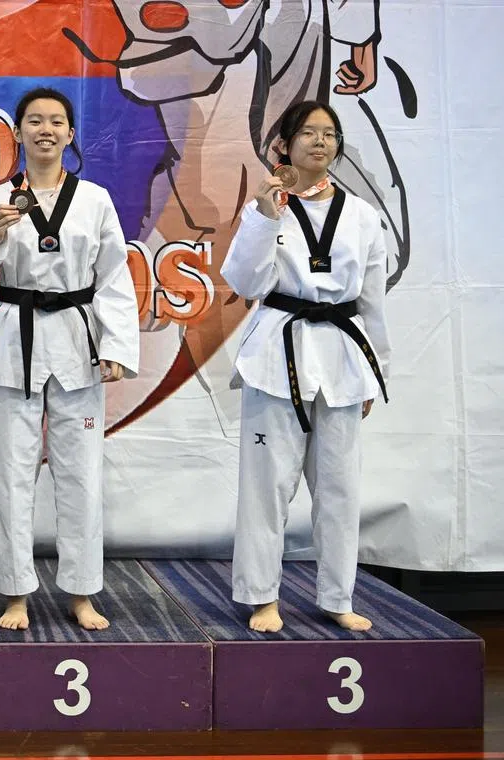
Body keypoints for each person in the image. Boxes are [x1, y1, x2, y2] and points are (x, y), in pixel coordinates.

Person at [0, 88, 139, 630]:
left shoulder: (95, 200)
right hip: (14, 342)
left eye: (56, 121)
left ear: (70, 134)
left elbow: (113, 276)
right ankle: (15, 592)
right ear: (17, 132)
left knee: (81, 474)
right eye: (34, 121)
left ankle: (81, 591)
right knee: (13, 474)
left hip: (78, 343)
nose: (45, 130)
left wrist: (116, 346)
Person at [221, 100, 391, 633]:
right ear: (284, 144)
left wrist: (376, 372)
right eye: (309, 132)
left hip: (342, 356)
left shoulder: (362, 216)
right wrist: (264, 215)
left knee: (340, 487)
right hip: (277, 353)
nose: (320, 141)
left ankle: (337, 596)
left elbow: (373, 300)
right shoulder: (266, 208)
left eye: (329, 133)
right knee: (266, 486)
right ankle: (260, 597)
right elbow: (245, 283)